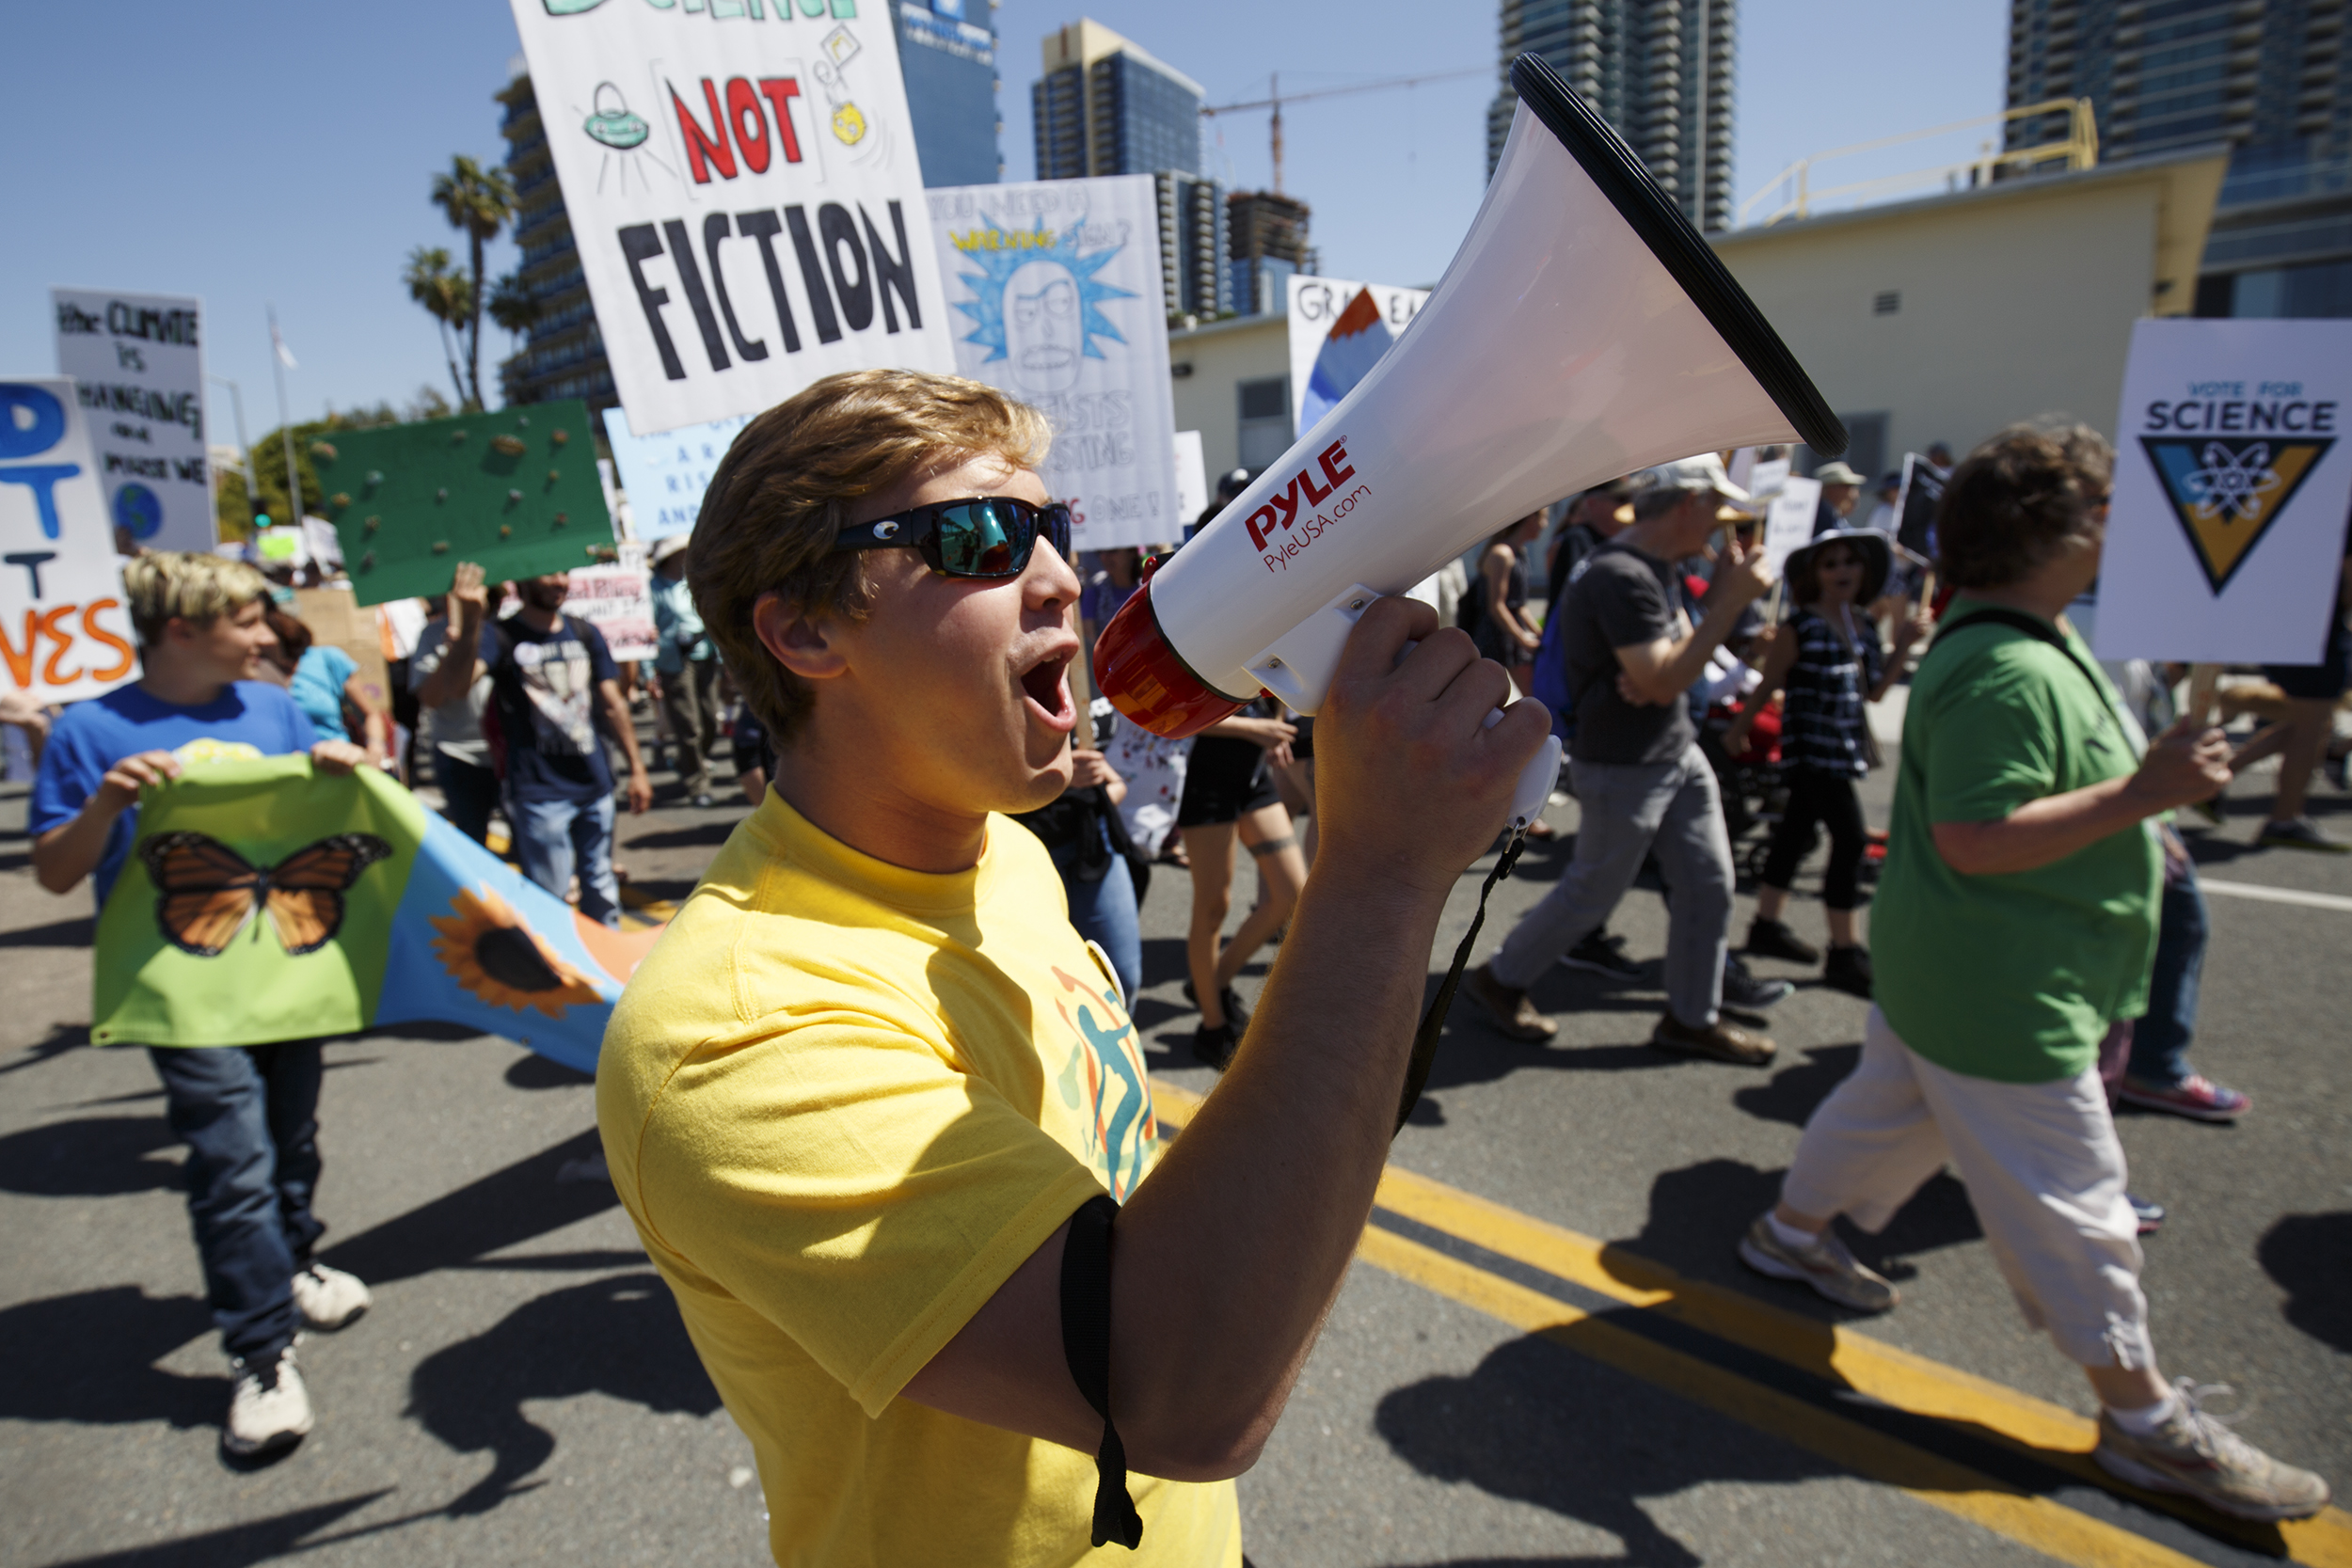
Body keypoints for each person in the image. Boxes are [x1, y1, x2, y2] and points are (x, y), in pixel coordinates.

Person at [597, 368, 1548, 1566]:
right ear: (801, 627)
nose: (1058, 575)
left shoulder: (999, 850)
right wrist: (1380, 869)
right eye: (980, 538)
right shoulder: (729, 1028)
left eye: (1051, 529)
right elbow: (1169, 1391)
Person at [1737, 424, 2328, 1523]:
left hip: (1958, 968)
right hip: (2000, 986)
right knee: (2077, 1209)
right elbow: (1973, 832)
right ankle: (2147, 1425)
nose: (2123, 531)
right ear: (2056, 533)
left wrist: (2144, 799)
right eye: (2108, 511)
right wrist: (2140, 798)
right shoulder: (2005, 663)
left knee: (1880, 1110)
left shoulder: (2019, 637)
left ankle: (1787, 1234)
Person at [27, 552, 375, 1458]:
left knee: (292, 1138)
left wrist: (339, 763)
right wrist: (105, 804)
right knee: (233, 1160)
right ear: (182, 629)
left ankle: (295, 1255)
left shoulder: (271, 708)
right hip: (178, 990)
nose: (268, 637)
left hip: (285, 978)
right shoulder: (89, 729)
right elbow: (57, 872)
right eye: (249, 621)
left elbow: (319, 812)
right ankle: (261, 1351)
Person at [1463, 454, 1777, 1066]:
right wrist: (1724, 608)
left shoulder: (1650, 566)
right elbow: (1660, 678)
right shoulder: (1621, 573)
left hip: (1671, 749)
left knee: (1708, 885)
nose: (1723, 525)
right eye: (1715, 509)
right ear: (1688, 503)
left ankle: (1692, 1016)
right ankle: (1499, 978)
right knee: (1591, 892)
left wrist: (1670, 667)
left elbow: (1666, 672)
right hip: (1627, 762)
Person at [1728, 531, 1929, 997]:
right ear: (1814, 575)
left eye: (1850, 563)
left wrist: (1904, 643)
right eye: (1831, 564)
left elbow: (1874, 692)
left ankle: (1766, 924)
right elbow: (1767, 682)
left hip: (1842, 751)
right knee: (1851, 840)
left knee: (1795, 835)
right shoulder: (1800, 625)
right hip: (1809, 752)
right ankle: (1844, 951)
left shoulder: (1861, 624)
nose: (1842, 572)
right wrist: (1738, 729)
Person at [432, 564, 653, 927]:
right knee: (551, 894)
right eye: (549, 574)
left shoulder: (584, 631)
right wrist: (471, 622)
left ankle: (605, 974)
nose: (560, 582)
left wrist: (638, 769)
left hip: (595, 784)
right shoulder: (499, 635)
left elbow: (613, 704)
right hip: (539, 792)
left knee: (601, 886)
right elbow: (455, 688)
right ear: (523, 580)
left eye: (565, 573)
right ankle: (559, 972)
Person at [1176, 701, 1310, 1069]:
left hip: (1253, 777)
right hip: (1207, 779)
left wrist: (1276, 726)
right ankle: (1212, 1026)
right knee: (1213, 907)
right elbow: (1178, 718)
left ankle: (1212, 984)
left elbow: (1278, 688)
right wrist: (1254, 730)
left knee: (1292, 894)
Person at [2227, 533, 2349, 852]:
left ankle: (2217, 778)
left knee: (2308, 725)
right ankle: (2283, 820)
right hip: (2315, 625)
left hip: (2284, 618)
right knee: (2310, 729)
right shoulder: (2335, 501)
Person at [410, 565, 504, 845]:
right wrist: (456, 649)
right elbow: (432, 697)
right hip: (457, 753)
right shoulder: (432, 635)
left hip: (509, 754)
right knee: (471, 841)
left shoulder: (506, 631)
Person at [264, 608, 389, 767]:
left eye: (299, 658)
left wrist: (375, 747)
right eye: (285, 666)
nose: (295, 669)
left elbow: (370, 714)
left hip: (337, 767)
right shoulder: (248, 673)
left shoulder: (327, 658)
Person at [651, 533, 721, 808]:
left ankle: (687, 761)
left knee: (709, 721)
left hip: (705, 655)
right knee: (688, 725)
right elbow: (649, 630)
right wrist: (647, 671)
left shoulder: (695, 582)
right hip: (674, 662)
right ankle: (697, 783)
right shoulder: (654, 588)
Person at [1547, 479, 1635, 607]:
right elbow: (1582, 593)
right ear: (1592, 503)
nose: (1628, 506)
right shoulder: (1578, 538)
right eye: (1621, 499)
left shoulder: (1618, 541)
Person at [1810, 461, 1866, 537]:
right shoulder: (1819, 515)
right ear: (1830, 488)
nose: (1852, 491)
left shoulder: (1834, 513)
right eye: (1847, 486)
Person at [1864, 470, 1902, 536]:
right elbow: (1887, 540)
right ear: (1887, 492)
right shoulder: (1883, 511)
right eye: (1895, 489)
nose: (1898, 492)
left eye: (1900, 488)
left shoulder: (1898, 509)